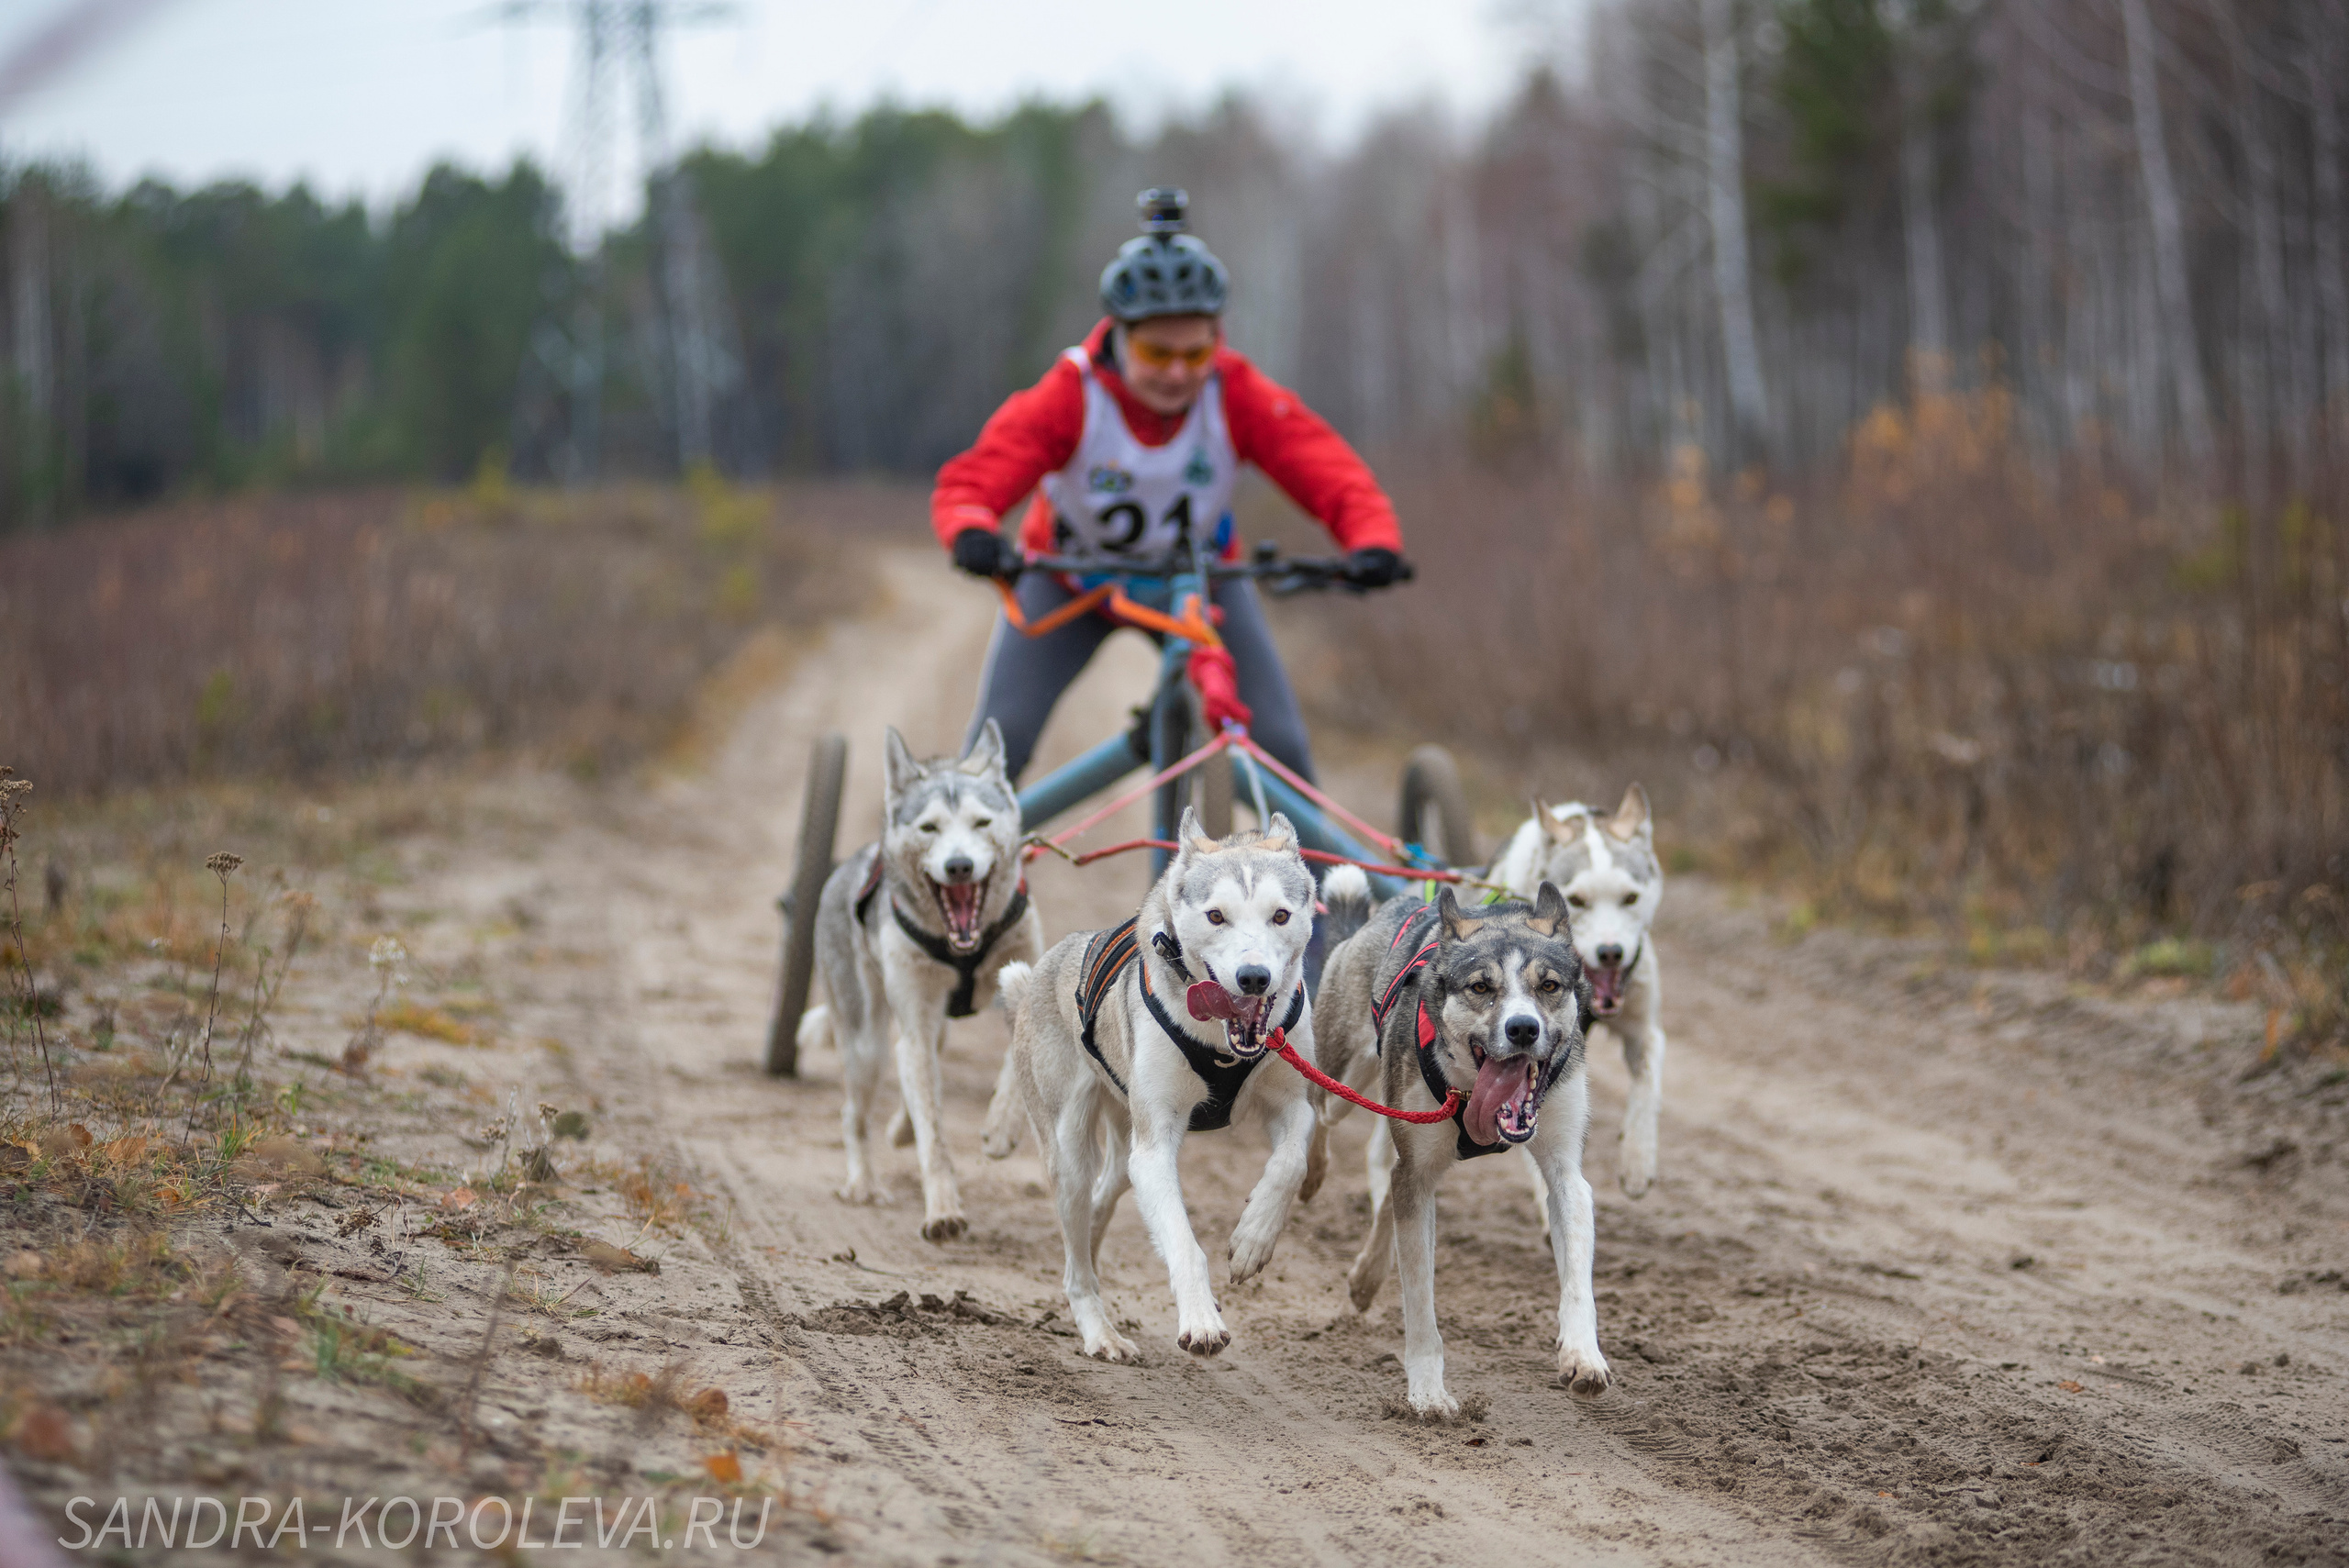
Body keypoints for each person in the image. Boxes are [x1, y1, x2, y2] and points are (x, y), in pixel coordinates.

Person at [933, 188, 1405, 785]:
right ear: (1119, 335)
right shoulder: (1072, 394)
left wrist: (1373, 540)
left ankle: (1311, 878)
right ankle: (967, 869)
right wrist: (972, 530)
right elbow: (976, 477)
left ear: (1217, 338)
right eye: (1157, 351)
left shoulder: (1233, 391)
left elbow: (1325, 466)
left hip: (1198, 585)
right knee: (997, 748)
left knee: (1280, 750)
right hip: (1071, 583)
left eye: (1197, 350)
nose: (1179, 372)